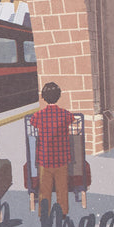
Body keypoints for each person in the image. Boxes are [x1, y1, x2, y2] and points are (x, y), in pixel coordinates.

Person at [30, 82, 76, 217]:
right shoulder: (65, 115)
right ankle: (63, 212)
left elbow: (33, 122)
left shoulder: (38, 115)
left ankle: (44, 213)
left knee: (44, 189)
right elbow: (72, 119)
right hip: (62, 159)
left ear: (44, 97)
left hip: (45, 159)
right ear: (59, 96)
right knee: (62, 188)